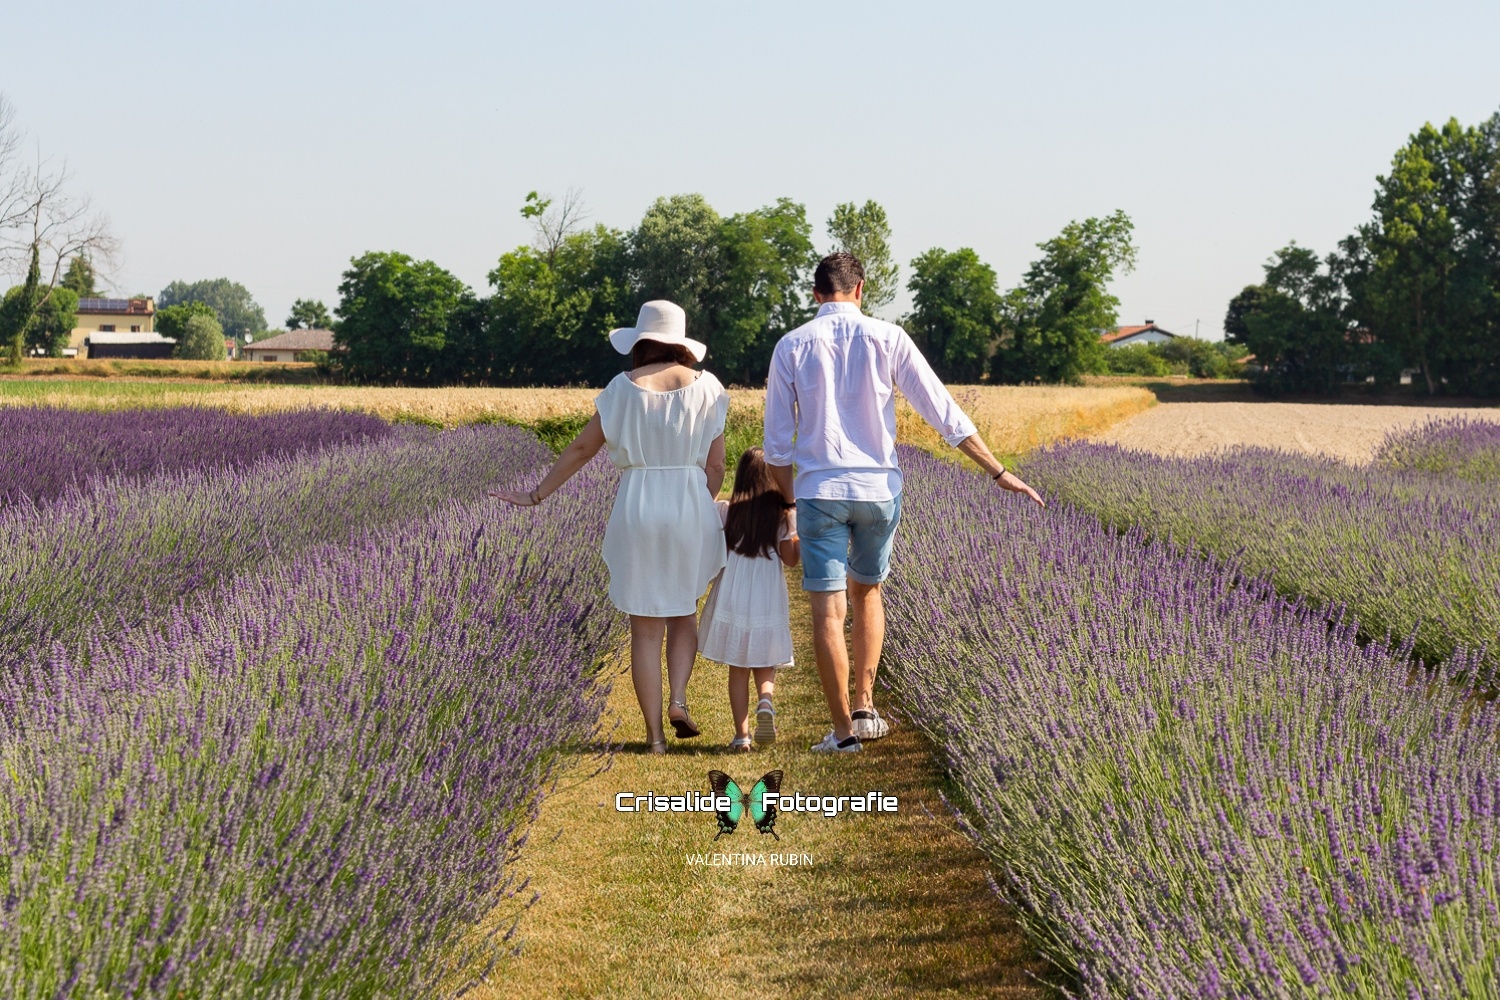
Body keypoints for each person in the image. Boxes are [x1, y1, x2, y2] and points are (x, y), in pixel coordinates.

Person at [764, 252, 1046, 754]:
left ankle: (844, 735)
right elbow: (943, 410)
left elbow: (778, 444)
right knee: (868, 593)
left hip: (820, 491)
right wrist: (998, 471)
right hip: (879, 491)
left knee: (827, 613)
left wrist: (789, 503)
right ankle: (865, 702)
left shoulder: (791, 345)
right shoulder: (890, 337)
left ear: (815, 294)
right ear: (861, 289)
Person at [491, 300, 727, 754]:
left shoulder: (621, 388)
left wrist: (536, 494)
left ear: (640, 342)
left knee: (644, 628)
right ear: (681, 344)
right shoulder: (708, 388)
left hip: (637, 502)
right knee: (683, 609)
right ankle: (679, 699)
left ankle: (655, 737)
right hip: (687, 498)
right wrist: (702, 500)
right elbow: (716, 464)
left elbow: (582, 449)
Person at [697, 447, 801, 752]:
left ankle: (741, 736)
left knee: (738, 667)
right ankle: (765, 702)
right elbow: (791, 560)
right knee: (765, 658)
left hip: (733, 592)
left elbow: (704, 524)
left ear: (740, 477)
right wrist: (796, 530)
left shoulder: (726, 511)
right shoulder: (781, 516)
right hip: (766, 593)